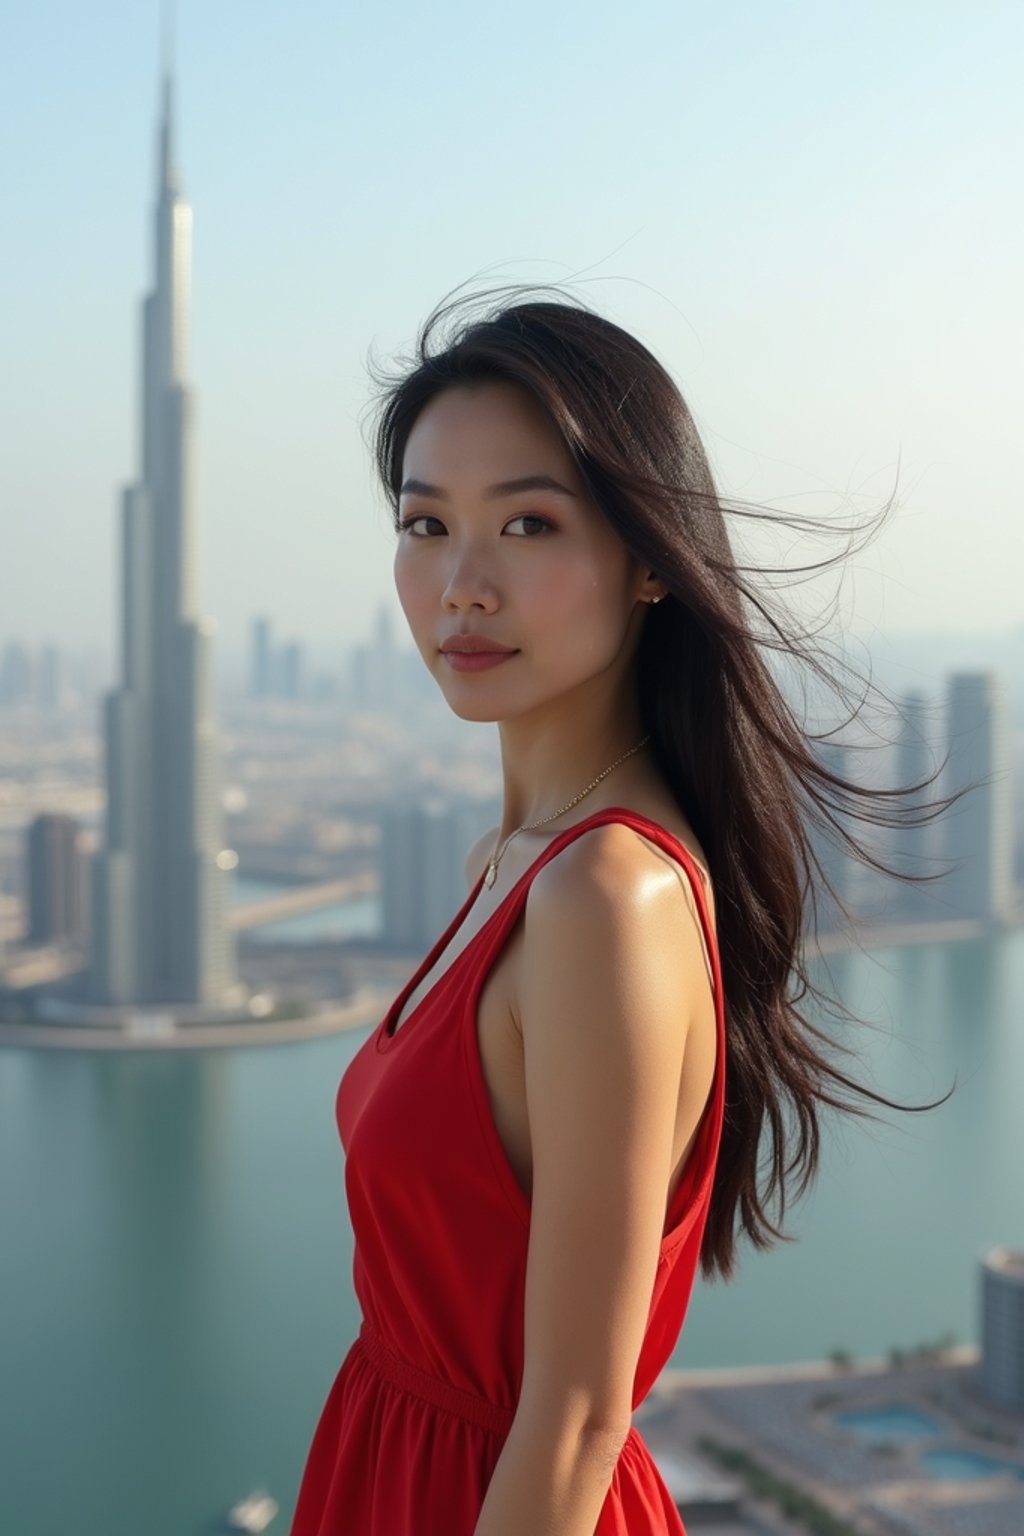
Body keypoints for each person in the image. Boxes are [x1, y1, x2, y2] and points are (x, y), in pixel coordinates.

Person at [290, 285, 959, 1536]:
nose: (462, 584)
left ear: (650, 562)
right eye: (425, 523)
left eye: (529, 524)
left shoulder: (607, 895)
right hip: (400, 1470)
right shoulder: (522, 860)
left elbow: (578, 1417)